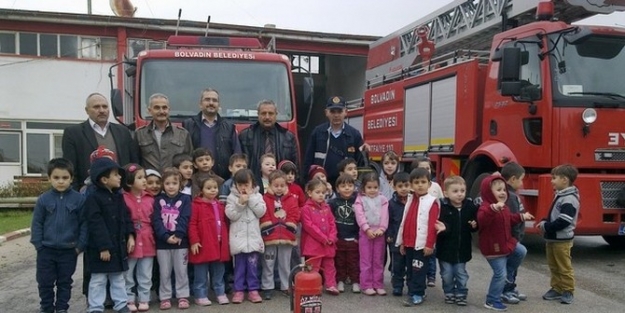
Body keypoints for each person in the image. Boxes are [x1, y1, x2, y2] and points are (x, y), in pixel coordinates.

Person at [31, 158, 87, 313]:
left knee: (65, 282)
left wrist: (79, 246)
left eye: (65, 178)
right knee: (45, 282)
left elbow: (84, 224)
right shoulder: (44, 199)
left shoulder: (79, 200)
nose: (60, 182)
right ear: (49, 178)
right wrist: (39, 245)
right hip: (46, 250)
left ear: (71, 178)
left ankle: (62, 308)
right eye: (56, 178)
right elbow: (37, 223)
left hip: (69, 250)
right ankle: (46, 307)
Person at [84, 157, 135, 313]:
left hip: (118, 245)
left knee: (118, 278)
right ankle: (95, 308)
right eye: (116, 175)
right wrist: (103, 247)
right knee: (98, 279)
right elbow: (95, 224)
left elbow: (126, 217)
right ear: (104, 179)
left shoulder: (118, 196)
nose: (120, 177)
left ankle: (121, 304)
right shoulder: (93, 197)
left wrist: (131, 235)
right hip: (100, 248)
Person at [477, 174, 533, 312]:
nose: (502, 192)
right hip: (493, 248)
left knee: (521, 251)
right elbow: (482, 220)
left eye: (503, 189)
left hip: (506, 243)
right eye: (498, 190)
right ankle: (492, 300)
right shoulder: (485, 207)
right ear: (488, 192)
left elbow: (510, 219)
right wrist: (493, 209)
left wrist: (521, 216)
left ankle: (508, 277)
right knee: (499, 274)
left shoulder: (504, 207)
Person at [62, 92, 139, 190]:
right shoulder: (73, 133)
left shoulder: (123, 131)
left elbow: (134, 163)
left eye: (105, 106)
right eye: (96, 107)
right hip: (89, 194)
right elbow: (70, 168)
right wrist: (76, 195)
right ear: (87, 110)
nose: (102, 110)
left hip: (121, 193)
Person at [395, 168, 440, 306]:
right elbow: (405, 222)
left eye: (423, 182)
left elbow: (432, 226)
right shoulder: (410, 199)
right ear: (411, 185)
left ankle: (418, 293)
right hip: (408, 243)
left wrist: (429, 245)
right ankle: (412, 291)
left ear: (429, 184)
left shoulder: (432, 202)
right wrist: (402, 242)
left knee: (418, 270)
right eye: (416, 182)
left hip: (421, 245)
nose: (420, 185)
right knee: (410, 269)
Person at [537, 164, 580, 305]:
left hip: (562, 240)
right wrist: (545, 221)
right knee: (553, 265)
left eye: (554, 178)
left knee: (564, 267)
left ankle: (568, 290)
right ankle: (557, 288)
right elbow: (555, 216)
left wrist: (546, 226)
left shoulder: (569, 199)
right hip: (553, 239)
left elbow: (564, 221)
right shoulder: (561, 195)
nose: (551, 181)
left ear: (564, 180)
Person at [152, 167, 192, 310]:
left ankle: (182, 296)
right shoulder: (157, 200)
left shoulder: (186, 199)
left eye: (174, 183)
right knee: (165, 271)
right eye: (167, 183)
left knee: (181, 271)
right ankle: (165, 297)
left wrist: (179, 234)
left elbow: (185, 217)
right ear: (163, 184)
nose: (171, 186)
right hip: (163, 243)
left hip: (181, 242)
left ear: (180, 184)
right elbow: (156, 220)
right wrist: (165, 236)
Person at [225, 169, 267, 304]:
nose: (243, 188)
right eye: (240, 184)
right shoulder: (231, 197)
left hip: (253, 238)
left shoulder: (258, 196)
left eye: (246, 184)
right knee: (239, 266)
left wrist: (251, 199)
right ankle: (239, 290)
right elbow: (231, 215)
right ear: (235, 184)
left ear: (252, 184)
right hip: (239, 238)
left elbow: (261, 212)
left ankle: (253, 289)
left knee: (253, 266)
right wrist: (240, 203)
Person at [304, 96, 366, 184]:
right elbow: (308, 160)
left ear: (345, 112)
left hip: (346, 185)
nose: (336, 115)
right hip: (321, 185)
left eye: (339, 111)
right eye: (332, 111)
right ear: (326, 112)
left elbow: (361, 164)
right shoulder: (317, 133)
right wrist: (307, 183)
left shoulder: (354, 135)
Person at [189, 177, 231, 306]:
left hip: (218, 243)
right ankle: (200, 294)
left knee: (219, 271)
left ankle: (220, 293)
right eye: (208, 188)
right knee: (201, 272)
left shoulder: (219, 204)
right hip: (203, 243)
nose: (213, 190)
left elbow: (223, 222)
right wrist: (194, 241)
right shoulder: (196, 205)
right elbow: (192, 224)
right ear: (201, 190)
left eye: (215, 188)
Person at [436, 175, 477, 306]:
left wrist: (474, 225)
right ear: (446, 193)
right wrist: (443, 228)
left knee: (461, 273)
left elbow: (475, 224)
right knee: (446, 274)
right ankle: (449, 292)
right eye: (455, 191)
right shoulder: (442, 208)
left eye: (462, 191)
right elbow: (438, 225)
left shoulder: (469, 207)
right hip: (445, 250)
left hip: (462, 249)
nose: (460, 194)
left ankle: (461, 293)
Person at [183, 88, 242, 180]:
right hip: (195, 182)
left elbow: (237, 156)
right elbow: (184, 154)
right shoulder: (188, 125)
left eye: (214, 100)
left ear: (219, 105)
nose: (211, 103)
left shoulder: (229, 128)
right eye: (207, 99)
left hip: (223, 181)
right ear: (200, 104)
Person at [260, 170, 301, 300]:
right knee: (268, 262)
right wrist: (268, 225)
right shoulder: (264, 199)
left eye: (282, 185)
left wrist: (290, 224)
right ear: (270, 185)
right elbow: (263, 214)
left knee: (285, 263)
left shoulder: (292, 199)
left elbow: (295, 214)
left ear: (286, 186)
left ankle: (285, 286)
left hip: (287, 235)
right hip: (270, 235)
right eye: (276, 185)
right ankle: (267, 287)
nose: (279, 188)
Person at [121, 164, 155, 312]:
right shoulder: (123, 198)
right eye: (139, 178)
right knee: (128, 273)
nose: (144, 181)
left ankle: (144, 298)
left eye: (144, 177)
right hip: (132, 238)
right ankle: (129, 298)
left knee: (145, 273)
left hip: (148, 239)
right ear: (129, 182)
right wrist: (130, 236)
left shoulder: (150, 198)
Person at [239, 99, 298, 183]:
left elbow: (295, 165)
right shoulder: (245, 136)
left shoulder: (288, 137)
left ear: (276, 115)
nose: (267, 117)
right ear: (258, 115)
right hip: (253, 185)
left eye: (270, 113)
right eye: (263, 113)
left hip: (281, 186)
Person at [300, 178, 340, 295]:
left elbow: (332, 223)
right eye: (317, 192)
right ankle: (312, 286)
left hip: (328, 243)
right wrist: (323, 238)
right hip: (313, 244)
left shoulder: (326, 208)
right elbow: (309, 226)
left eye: (323, 192)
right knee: (313, 267)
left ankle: (331, 285)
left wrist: (332, 237)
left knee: (329, 266)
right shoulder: (306, 209)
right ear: (309, 193)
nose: (321, 195)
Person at [135, 93, 193, 172]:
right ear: (149, 110)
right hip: (151, 183)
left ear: (169, 110)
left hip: (174, 183)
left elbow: (189, 160)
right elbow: (136, 162)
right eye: (157, 108)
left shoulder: (183, 134)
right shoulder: (139, 134)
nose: (161, 111)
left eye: (164, 108)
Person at [354, 172, 389, 296]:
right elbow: (360, 215)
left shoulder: (383, 199)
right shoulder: (360, 200)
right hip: (365, 233)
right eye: (369, 187)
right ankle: (366, 284)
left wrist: (382, 228)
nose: (372, 190)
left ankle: (378, 284)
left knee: (378, 260)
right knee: (366, 260)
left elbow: (385, 215)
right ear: (363, 187)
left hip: (379, 233)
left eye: (375, 187)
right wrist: (366, 229)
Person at [411, 157, 443, 288]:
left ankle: (431, 275)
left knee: (431, 252)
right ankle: (418, 280)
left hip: (432, 224)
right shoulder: (412, 193)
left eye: (428, 168)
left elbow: (442, 201)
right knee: (418, 258)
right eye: (422, 168)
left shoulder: (435, 187)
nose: (426, 170)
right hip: (418, 229)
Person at [500, 161, 528, 303]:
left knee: (513, 267)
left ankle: (510, 288)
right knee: (510, 266)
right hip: (512, 239)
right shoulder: (510, 196)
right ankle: (505, 290)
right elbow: (513, 220)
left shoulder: (510, 194)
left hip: (513, 238)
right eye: (521, 179)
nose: (522, 183)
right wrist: (516, 238)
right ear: (513, 179)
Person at [386, 172, 411, 297]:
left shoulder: (414, 201)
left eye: (406, 185)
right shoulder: (391, 203)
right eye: (400, 186)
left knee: (411, 265)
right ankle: (397, 286)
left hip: (411, 239)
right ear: (394, 187)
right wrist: (389, 234)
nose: (404, 189)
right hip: (396, 239)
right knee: (397, 265)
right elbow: (388, 220)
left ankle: (412, 287)